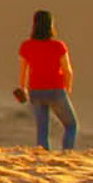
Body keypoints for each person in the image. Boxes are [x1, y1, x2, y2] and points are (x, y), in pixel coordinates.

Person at [15, 8, 78, 150]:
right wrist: (68, 88)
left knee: (42, 129)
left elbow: (23, 72)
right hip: (56, 89)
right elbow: (68, 70)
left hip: (36, 90)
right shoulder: (58, 46)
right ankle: (67, 152)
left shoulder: (26, 46)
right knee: (71, 125)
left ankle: (43, 157)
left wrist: (22, 88)